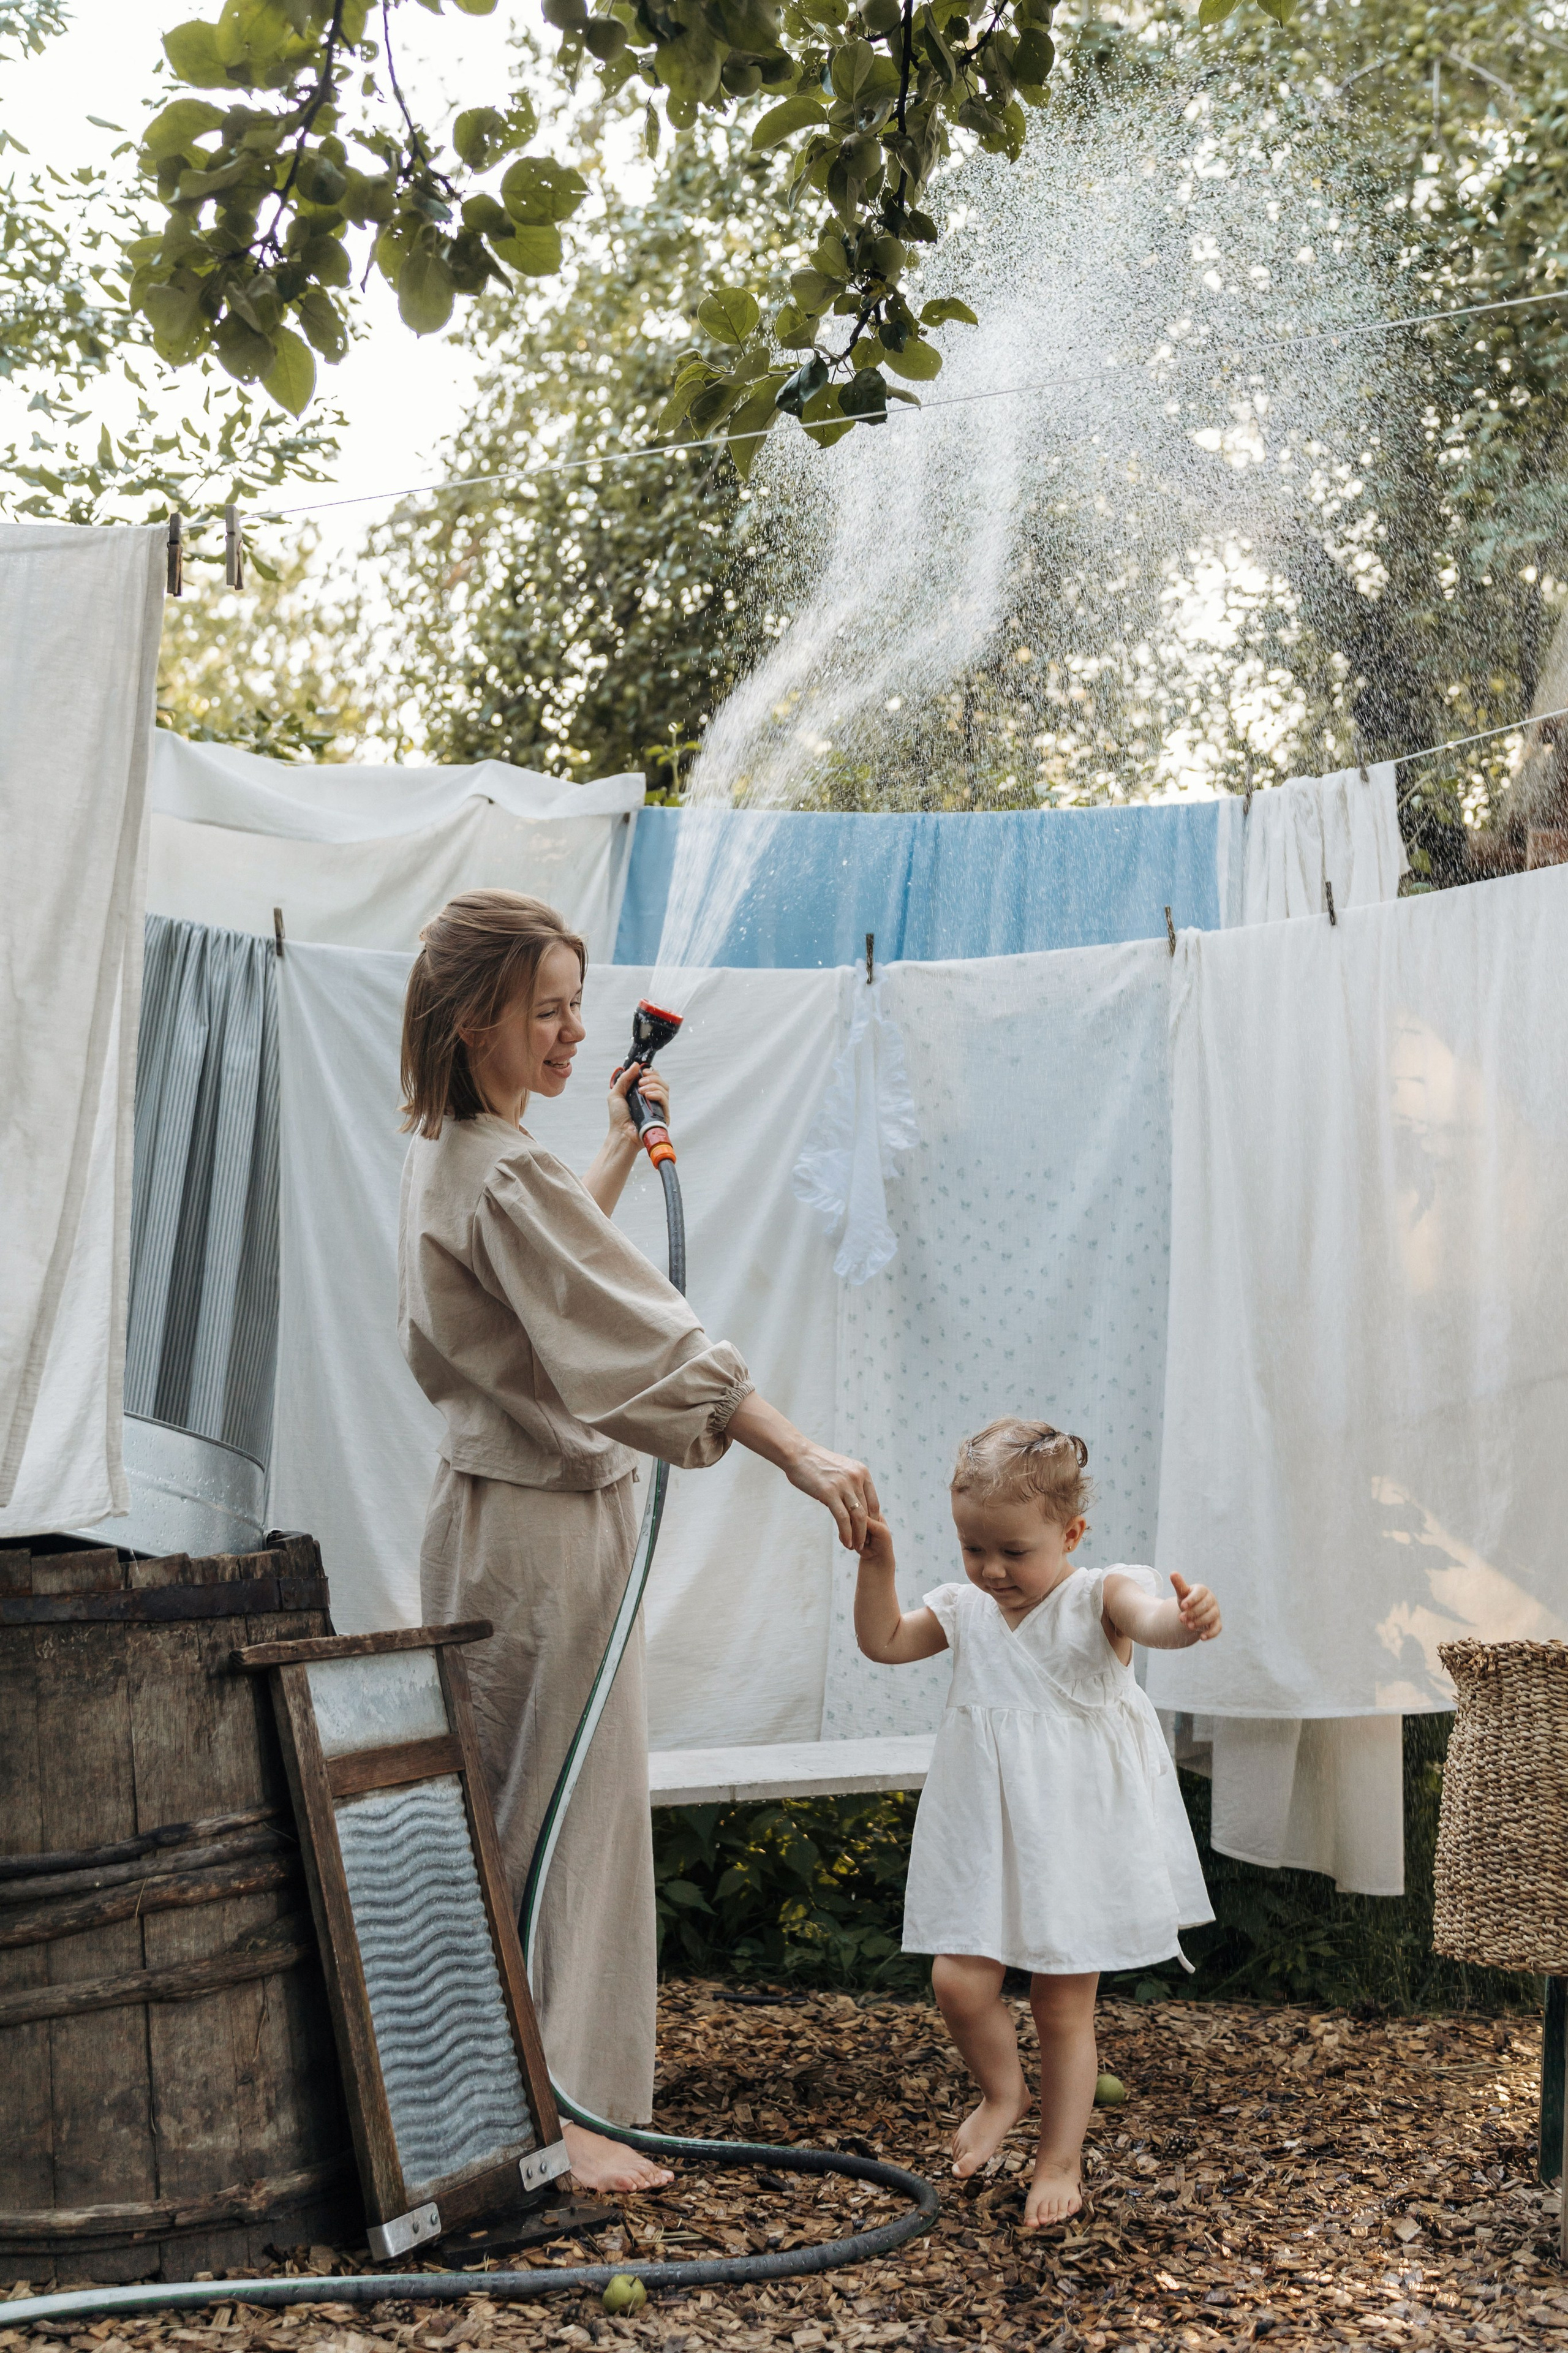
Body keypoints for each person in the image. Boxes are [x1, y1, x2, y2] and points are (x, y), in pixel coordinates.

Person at [398, 889, 880, 2194]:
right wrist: (800, 1451)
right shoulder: (502, 1174)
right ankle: (575, 2119)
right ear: (468, 1017)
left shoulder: (462, 1151)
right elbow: (641, 1339)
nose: (569, 1033)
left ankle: (493, 2110)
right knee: (566, 1815)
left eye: (575, 1006)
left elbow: (552, 1273)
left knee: (509, 1812)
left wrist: (606, 1148)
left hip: (493, 1528)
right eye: (545, 1009)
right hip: (544, 1542)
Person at [853, 1417, 1219, 2229]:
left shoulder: (1102, 1595)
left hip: (1077, 1840)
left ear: (1071, 1531)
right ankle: (1003, 2089)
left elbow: (1153, 1620)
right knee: (958, 1979)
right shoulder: (965, 1608)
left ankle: (1061, 2157)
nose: (990, 1569)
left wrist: (1184, 1620)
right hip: (990, 1835)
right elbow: (883, 1640)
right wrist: (879, 1565)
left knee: (1062, 2007)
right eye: (972, 1547)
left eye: (1014, 1552)